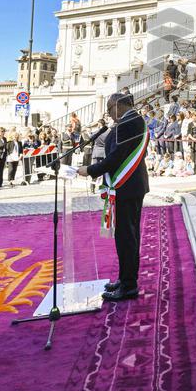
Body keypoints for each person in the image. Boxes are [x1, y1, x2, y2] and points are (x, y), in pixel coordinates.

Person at [77, 92, 149, 302]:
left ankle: (128, 286)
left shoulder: (128, 123)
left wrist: (90, 170)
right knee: (127, 236)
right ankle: (126, 279)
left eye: (109, 109)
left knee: (126, 237)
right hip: (130, 186)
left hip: (127, 187)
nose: (109, 114)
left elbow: (116, 157)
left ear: (118, 106)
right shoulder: (132, 121)